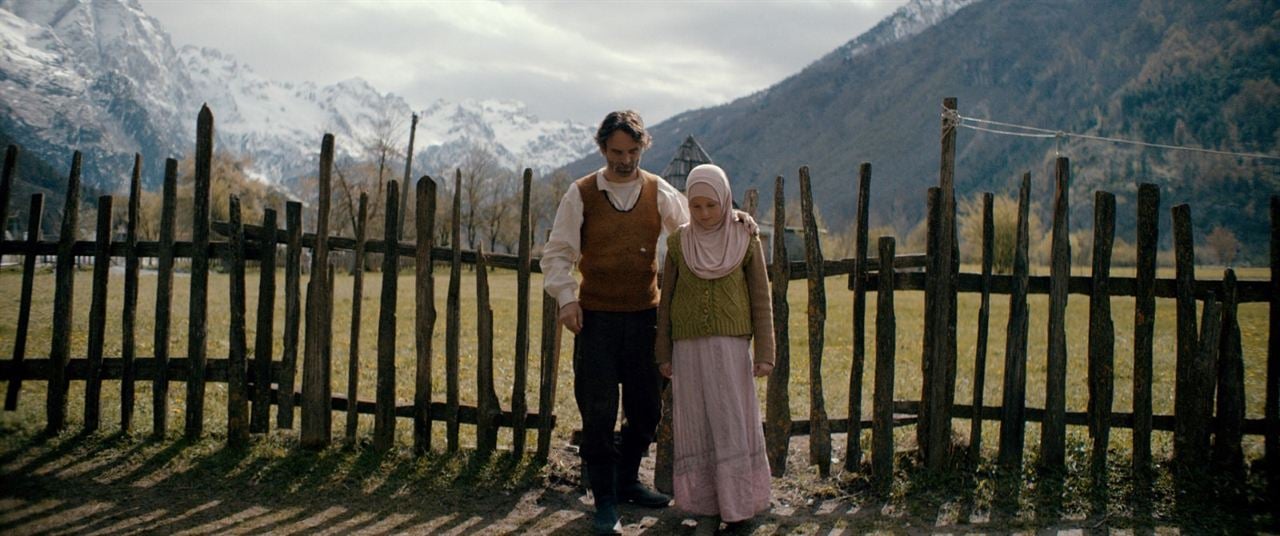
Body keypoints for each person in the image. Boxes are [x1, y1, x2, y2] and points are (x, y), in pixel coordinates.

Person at [541, 110, 686, 535]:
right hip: (598, 321)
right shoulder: (581, 193)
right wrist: (568, 300)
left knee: (645, 410)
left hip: (646, 318)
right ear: (602, 148)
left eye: (633, 151)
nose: (625, 160)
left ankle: (627, 483)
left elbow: (694, 230)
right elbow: (557, 254)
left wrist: (736, 221)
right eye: (617, 152)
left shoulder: (659, 191)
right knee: (598, 413)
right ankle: (604, 500)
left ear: (644, 147)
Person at [656, 164, 774, 535]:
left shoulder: (744, 237)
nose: (704, 213)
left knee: (732, 422)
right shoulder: (679, 243)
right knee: (698, 424)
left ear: (725, 200)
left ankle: (738, 508)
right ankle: (706, 508)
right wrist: (663, 351)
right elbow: (667, 298)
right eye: (696, 206)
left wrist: (766, 351)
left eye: (712, 205)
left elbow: (760, 297)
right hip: (688, 349)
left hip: (730, 349)